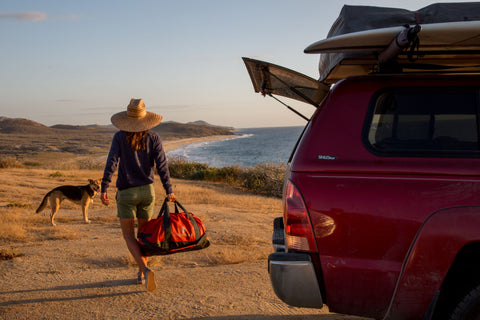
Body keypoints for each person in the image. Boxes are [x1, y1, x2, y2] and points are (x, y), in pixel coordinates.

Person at [100, 98, 176, 292]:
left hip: (126, 192)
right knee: (144, 236)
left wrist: (104, 187)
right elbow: (162, 166)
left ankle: (144, 269)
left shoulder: (119, 137)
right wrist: (169, 189)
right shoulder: (154, 137)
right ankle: (142, 274)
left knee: (128, 235)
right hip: (147, 192)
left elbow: (112, 162)